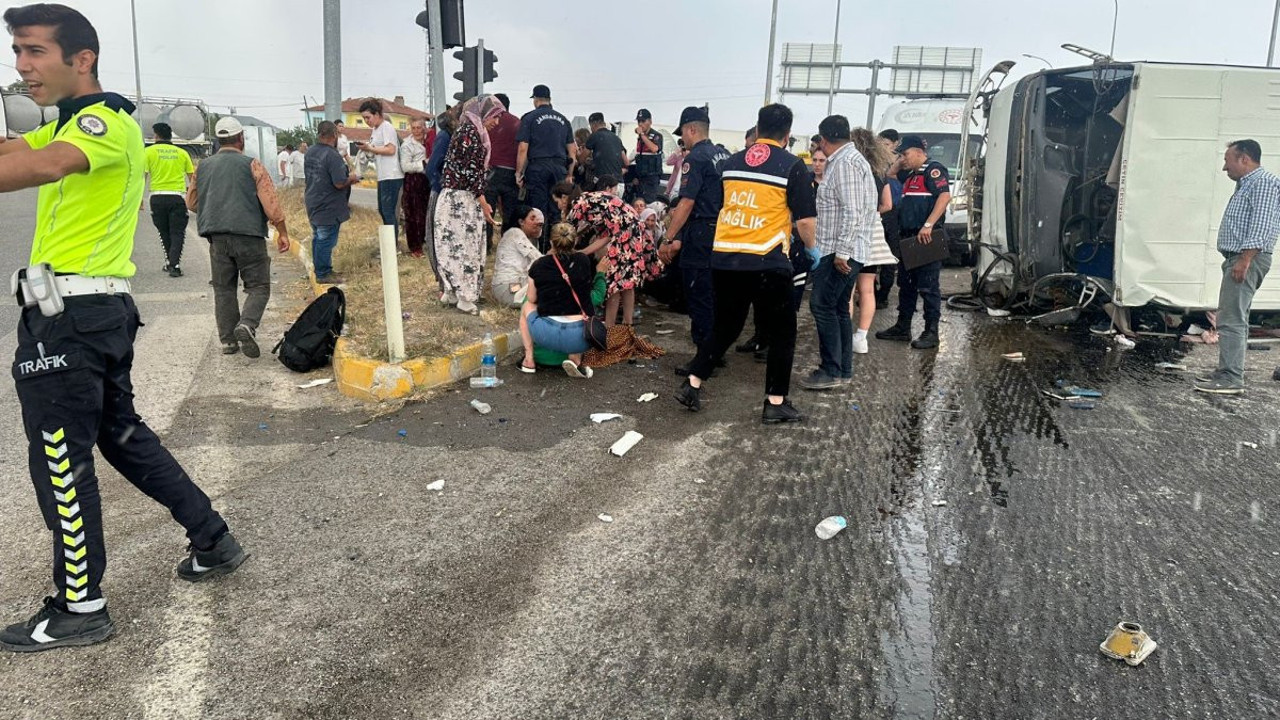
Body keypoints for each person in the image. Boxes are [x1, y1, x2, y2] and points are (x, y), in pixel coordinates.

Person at [0, 4, 246, 652]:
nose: (22, 66)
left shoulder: (100, 123)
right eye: (18, 53)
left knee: (60, 457)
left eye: (34, 51)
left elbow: (39, 166)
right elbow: (15, 150)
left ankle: (80, 605)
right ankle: (212, 539)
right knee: (124, 438)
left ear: (82, 58)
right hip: (91, 313)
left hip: (69, 322)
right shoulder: (70, 125)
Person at [674, 103, 818, 423]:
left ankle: (693, 383)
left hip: (725, 257)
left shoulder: (733, 161)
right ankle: (776, 401)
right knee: (782, 333)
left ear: (758, 127)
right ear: (788, 134)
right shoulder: (792, 166)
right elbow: (806, 222)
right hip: (767, 258)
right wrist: (813, 250)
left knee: (726, 327)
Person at [188, 116, 291, 357]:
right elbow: (271, 204)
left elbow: (192, 203)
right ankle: (247, 324)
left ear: (218, 140)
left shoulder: (202, 167)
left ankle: (228, 342)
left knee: (223, 289)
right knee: (259, 287)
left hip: (217, 237)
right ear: (241, 139)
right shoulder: (252, 165)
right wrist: (282, 232)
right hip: (249, 236)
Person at [1194, 140, 1280, 394]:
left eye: (1227, 160)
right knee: (1232, 317)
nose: (1224, 167)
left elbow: (1262, 225)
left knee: (1232, 319)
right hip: (1241, 257)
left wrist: (1245, 260)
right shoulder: (1249, 184)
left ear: (1244, 159)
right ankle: (1226, 372)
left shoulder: (1262, 182)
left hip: (1247, 258)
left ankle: (1231, 378)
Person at [800, 115, 877, 390]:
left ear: (823, 139)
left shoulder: (845, 164)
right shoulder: (849, 161)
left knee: (821, 306)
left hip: (840, 251)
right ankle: (842, 369)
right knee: (837, 309)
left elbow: (852, 211)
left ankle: (831, 369)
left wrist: (842, 252)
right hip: (841, 249)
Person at [658, 106, 732, 375]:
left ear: (691, 129)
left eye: (684, 135)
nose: (683, 142)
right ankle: (716, 351)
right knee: (715, 295)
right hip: (724, 231)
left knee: (698, 294)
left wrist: (668, 238)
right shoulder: (724, 154)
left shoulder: (696, 158)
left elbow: (687, 202)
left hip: (702, 231)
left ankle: (704, 359)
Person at [876, 134, 949, 350]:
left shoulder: (933, 170)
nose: (903, 158)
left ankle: (931, 332)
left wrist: (928, 225)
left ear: (919, 152)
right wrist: (901, 159)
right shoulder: (910, 174)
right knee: (906, 286)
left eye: (906, 154)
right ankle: (902, 327)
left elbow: (944, 197)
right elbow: (890, 173)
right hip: (908, 237)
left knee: (928, 287)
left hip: (926, 236)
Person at [434, 94, 502, 315]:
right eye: (495, 116)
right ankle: (464, 296)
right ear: (483, 113)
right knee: (465, 249)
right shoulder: (470, 133)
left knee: (451, 247)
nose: (496, 122)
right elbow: (471, 173)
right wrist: (484, 203)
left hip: (458, 199)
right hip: (461, 202)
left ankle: (452, 292)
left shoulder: (470, 131)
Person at [519, 223, 597, 378]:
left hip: (545, 334)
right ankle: (575, 358)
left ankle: (528, 361)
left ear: (551, 243)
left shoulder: (539, 264)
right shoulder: (584, 261)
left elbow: (532, 298)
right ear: (574, 242)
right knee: (581, 310)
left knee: (526, 307)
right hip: (579, 336)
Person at [567, 187, 650, 328]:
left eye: (557, 201)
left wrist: (575, 252)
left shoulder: (578, 205)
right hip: (634, 230)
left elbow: (566, 234)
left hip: (625, 234)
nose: (558, 205)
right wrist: (583, 251)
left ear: (564, 198)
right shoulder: (592, 200)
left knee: (614, 283)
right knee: (627, 282)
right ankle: (627, 325)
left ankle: (609, 327)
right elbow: (605, 233)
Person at [848, 127, 898, 353]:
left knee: (847, 290)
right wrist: (873, 212)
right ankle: (861, 338)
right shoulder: (880, 172)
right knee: (867, 289)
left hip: (851, 232)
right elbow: (888, 205)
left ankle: (843, 333)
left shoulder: (851, 168)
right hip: (874, 233)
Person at [305, 120, 360, 284]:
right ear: (334, 135)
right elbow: (339, 182)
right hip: (328, 204)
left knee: (318, 236)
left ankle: (320, 269)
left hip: (313, 199)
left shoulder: (311, 152)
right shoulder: (332, 155)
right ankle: (323, 273)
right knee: (326, 239)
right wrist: (353, 178)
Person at [516, 84, 575, 226]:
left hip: (538, 168)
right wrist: (569, 174)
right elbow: (572, 150)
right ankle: (554, 244)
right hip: (559, 167)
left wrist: (519, 173)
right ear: (549, 99)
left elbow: (523, 148)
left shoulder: (529, 118)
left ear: (535, 99)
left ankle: (539, 245)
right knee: (556, 208)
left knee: (538, 209)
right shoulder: (563, 120)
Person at [143, 121, 194, 277]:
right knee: (177, 232)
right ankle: (175, 264)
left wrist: (138, 201)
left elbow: (142, 177)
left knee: (164, 232)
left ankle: (170, 262)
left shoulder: (148, 152)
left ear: (156, 136)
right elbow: (192, 179)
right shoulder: (182, 153)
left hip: (157, 197)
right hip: (177, 197)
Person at [356, 98, 404, 236]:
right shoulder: (375, 130)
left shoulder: (386, 127)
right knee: (383, 210)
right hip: (383, 175)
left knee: (388, 212)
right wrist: (368, 149)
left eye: (368, 117)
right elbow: (376, 149)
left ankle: (392, 246)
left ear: (377, 114)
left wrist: (370, 148)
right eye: (364, 118)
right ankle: (388, 244)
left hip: (392, 175)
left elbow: (391, 150)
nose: (366, 121)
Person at [424, 108, 456, 290]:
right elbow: (432, 166)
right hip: (441, 192)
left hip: (448, 191)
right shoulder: (445, 136)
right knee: (437, 238)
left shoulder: (455, 136)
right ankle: (443, 282)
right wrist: (441, 185)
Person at [492, 205, 544, 306]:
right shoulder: (515, 233)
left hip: (513, 285)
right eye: (532, 218)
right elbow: (540, 260)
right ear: (521, 222)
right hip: (507, 288)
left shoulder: (523, 237)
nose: (537, 223)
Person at [875, 128, 903, 307]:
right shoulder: (875, 161)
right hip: (877, 211)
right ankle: (872, 290)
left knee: (890, 256)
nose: (883, 148)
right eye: (880, 144)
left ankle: (884, 294)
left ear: (895, 144)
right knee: (873, 253)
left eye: (886, 144)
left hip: (893, 213)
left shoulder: (900, 162)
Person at [485, 93, 521, 230]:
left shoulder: (489, 122)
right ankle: (507, 239)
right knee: (510, 212)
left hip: (491, 170)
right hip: (511, 172)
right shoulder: (517, 122)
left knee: (488, 209)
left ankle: (487, 243)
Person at [400, 117, 430, 258]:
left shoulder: (429, 141)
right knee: (413, 215)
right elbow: (405, 166)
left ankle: (425, 242)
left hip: (428, 180)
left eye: (419, 127)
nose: (417, 131)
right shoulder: (407, 145)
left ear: (424, 127)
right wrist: (424, 163)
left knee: (426, 213)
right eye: (414, 128)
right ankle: (415, 247)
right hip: (414, 181)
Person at [585, 112, 627, 194]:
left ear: (593, 124)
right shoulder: (617, 138)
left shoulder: (594, 136)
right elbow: (626, 161)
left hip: (604, 184)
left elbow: (582, 157)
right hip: (619, 185)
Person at [632, 108, 664, 202]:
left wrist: (642, 135)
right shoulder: (640, 138)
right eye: (639, 121)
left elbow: (654, 149)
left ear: (650, 121)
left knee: (649, 202)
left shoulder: (656, 136)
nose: (640, 124)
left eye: (643, 121)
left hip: (651, 177)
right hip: (641, 177)